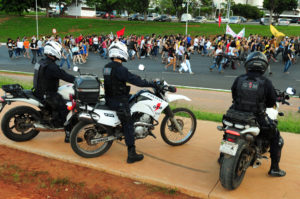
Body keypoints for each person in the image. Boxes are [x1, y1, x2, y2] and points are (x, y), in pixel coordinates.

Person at [230, 51, 285, 177]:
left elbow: (234, 96)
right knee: (276, 136)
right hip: (257, 117)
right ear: (264, 66)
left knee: (228, 131)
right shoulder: (266, 82)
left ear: (247, 64)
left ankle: (222, 156)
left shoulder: (239, 79)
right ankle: (275, 168)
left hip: (234, 114)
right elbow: (271, 103)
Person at [103, 41, 154, 164]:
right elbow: (136, 81)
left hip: (110, 99)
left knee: (133, 99)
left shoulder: (107, 67)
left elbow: (126, 77)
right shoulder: (120, 69)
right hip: (119, 101)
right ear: (122, 53)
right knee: (128, 124)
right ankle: (131, 154)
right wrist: (151, 83)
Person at [33, 41, 75, 143]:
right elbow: (64, 75)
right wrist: (77, 80)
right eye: (59, 51)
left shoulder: (41, 62)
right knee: (66, 110)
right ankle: (69, 135)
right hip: (48, 94)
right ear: (54, 52)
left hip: (39, 91)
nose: (60, 52)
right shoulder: (51, 66)